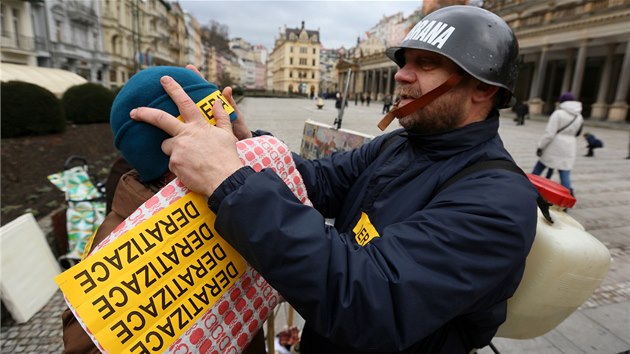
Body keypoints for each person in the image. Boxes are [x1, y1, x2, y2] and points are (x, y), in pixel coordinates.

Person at [131, 6, 538, 354]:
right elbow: (315, 180)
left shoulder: (499, 200)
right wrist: (244, 142)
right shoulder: (400, 143)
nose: (401, 76)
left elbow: (367, 298)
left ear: (483, 88)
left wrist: (229, 179)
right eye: (404, 62)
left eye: (425, 64)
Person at [61, 66, 266, 354]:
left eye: (234, 141)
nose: (240, 157)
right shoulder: (120, 249)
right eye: (223, 144)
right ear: (178, 161)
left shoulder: (221, 203)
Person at [532, 92, 583, 194]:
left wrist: (540, 146)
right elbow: (578, 133)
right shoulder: (579, 116)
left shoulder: (558, 113)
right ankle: (566, 197)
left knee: (539, 167)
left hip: (554, 145)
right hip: (569, 146)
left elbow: (549, 134)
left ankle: (527, 187)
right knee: (565, 172)